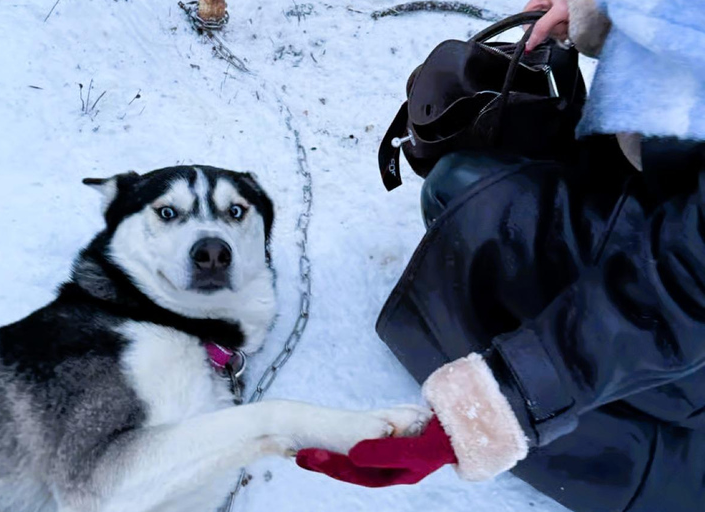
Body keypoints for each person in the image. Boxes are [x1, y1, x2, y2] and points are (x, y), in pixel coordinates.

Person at [297, 1, 705, 511]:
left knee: (468, 201)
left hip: (688, 315)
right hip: (667, 184)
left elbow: (680, 293)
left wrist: (490, 410)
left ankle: (642, 437)